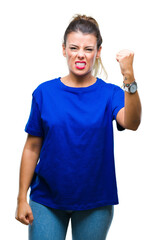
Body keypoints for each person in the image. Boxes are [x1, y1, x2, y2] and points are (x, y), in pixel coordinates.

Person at [15, 14, 141, 240]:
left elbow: (132, 123)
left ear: (98, 52)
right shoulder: (44, 93)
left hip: (95, 201)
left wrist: (129, 77)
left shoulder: (110, 93)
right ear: (64, 49)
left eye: (88, 49)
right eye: (74, 47)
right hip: (46, 200)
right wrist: (21, 198)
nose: (80, 54)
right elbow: (32, 147)